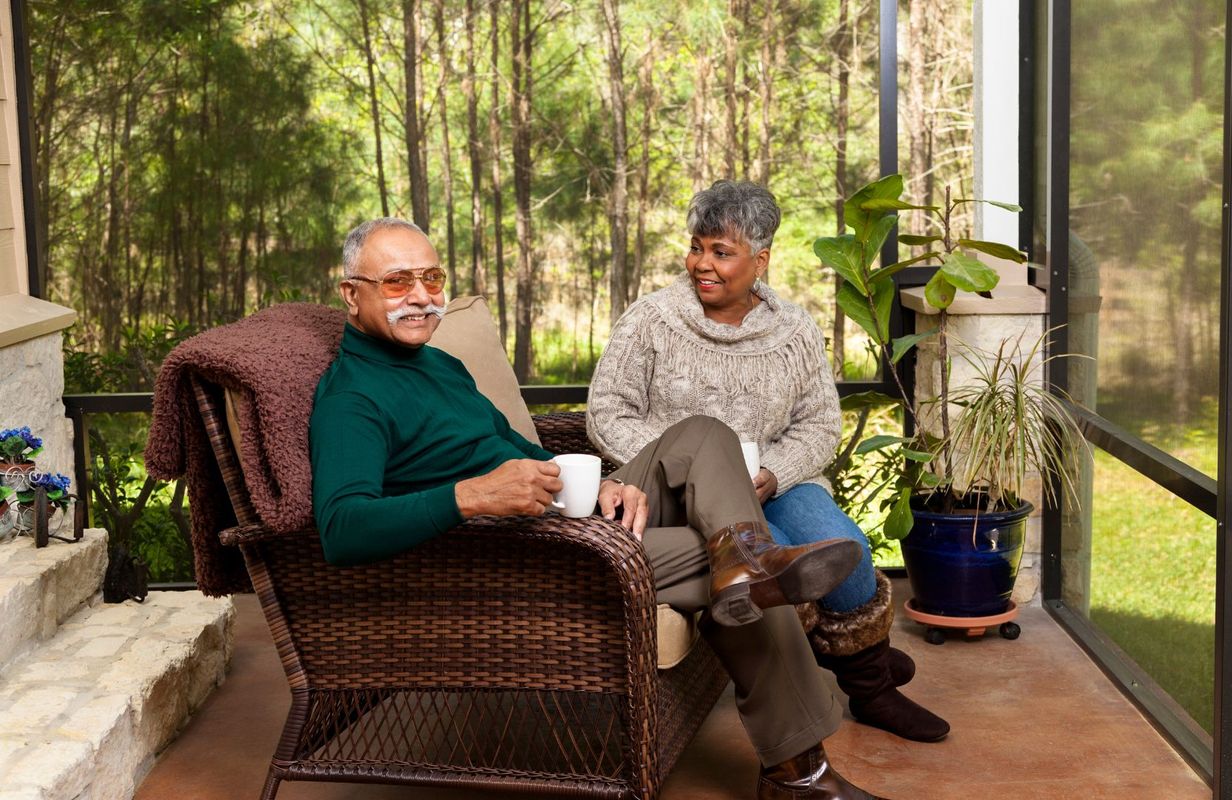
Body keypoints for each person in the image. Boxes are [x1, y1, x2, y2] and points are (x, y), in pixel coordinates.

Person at [309, 216, 890, 800]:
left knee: (703, 437)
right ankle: (799, 774)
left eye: (431, 278)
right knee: (712, 554)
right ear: (350, 294)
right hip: (502, 553)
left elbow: (518, 449)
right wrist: (470, 495)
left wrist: (593, 485)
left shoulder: (440, 365)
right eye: (395, 282)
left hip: (552, 513)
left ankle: (749, 558)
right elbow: (341, 529)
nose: (420, 296)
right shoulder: (351, 397)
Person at [586, 181, 949, 743]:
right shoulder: (651, 320)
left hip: (778, 479)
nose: (701, 264)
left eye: (721, 252)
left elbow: (820, 425)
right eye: (696, 246)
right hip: (685, 493)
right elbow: (607, 413)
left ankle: (865, 677)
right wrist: (690, 468)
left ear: (761, 260)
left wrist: (774, 472)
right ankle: (870, 682)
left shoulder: (794, 330)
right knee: (778, 564)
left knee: (843, 546)